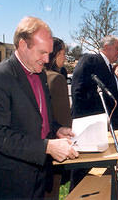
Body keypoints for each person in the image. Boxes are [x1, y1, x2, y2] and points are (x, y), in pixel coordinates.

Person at [0, 16, 78, 199]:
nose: (47, 59)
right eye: (42, 53)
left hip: (37, 179)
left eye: (49, 53)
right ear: (23, 45)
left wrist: (57, 129)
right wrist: (46, 147)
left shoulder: (39, 75)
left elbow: (40, 119)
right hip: (7, 185)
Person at [44, 37, 73, 198]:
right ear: (54, 55)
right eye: (63, 53)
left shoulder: (35, 75)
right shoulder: (56, 79)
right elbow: (64, 121)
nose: (65, 57)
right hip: (55, 148)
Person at [71, 35, 118, 120]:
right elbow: (77, 92)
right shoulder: (89, 60)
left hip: (106, 121)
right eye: (117, 48)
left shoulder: (110, 67)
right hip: (89, 120)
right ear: (106, 47)